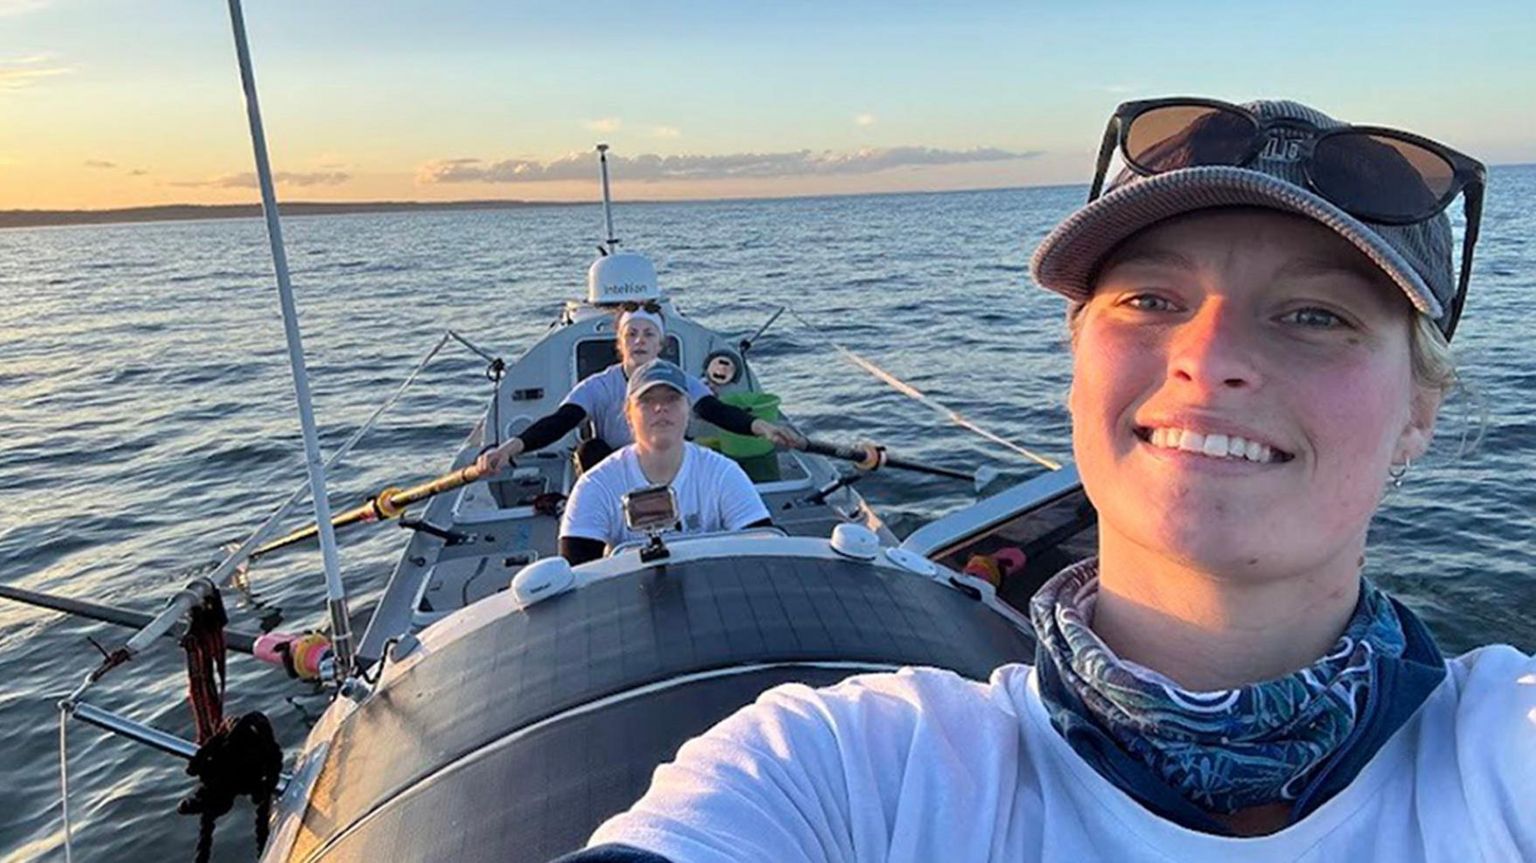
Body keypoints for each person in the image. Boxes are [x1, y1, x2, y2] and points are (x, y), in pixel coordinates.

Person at [558, 98, 1533, 861]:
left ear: (1420, 410)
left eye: (1316, 314)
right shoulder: (851, 772)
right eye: (1153, 297)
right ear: (1077, 366)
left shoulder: (1509, 759)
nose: (1209, 356)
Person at [476, 304, 803, 475]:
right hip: (616, 469)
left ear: (661, 342)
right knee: (588, 451)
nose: (639, 341)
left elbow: (714, 411)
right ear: (619, 343)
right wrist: (509, 449)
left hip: (669, 460)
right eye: (631, 334)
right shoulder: (598, 386)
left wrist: (763, 428)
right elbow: (560, 421)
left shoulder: (680, 380)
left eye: (648, 334)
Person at [558, 359, 774, 565]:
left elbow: (767, 555)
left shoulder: (723, 473)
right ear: (628, 415)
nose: (660, 408)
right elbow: (577, 574)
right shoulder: (596, 484)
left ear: (688, 410)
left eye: (671, 398)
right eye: (647, 400)